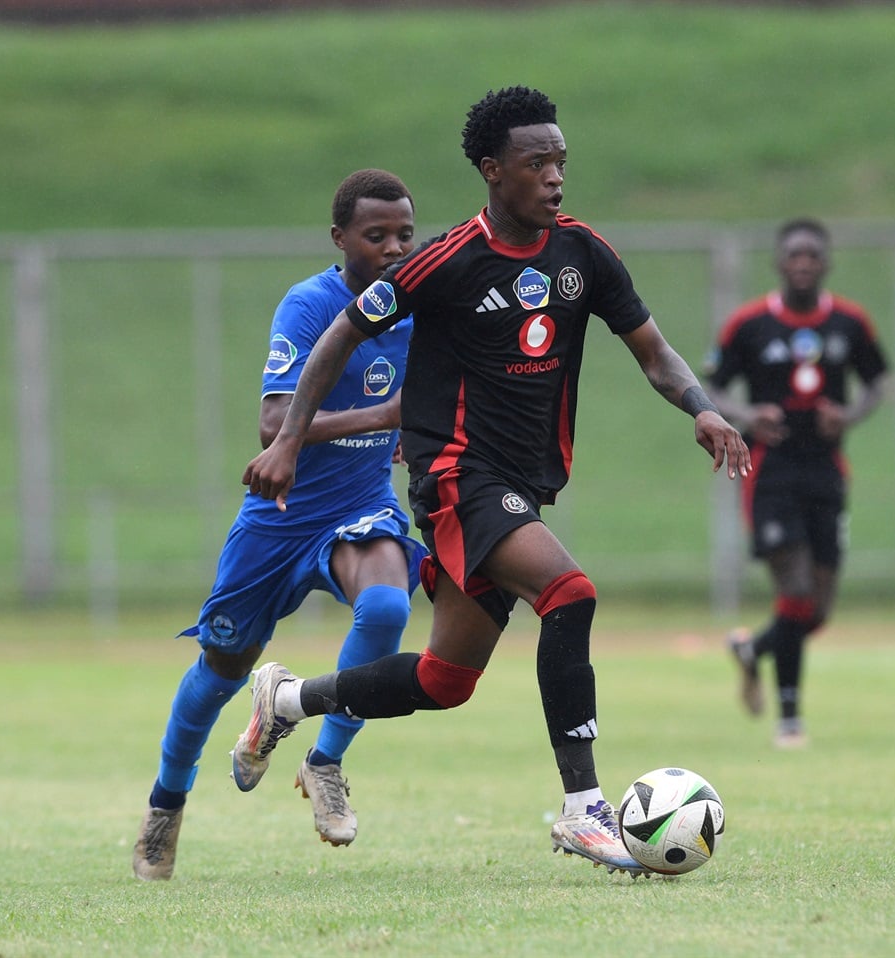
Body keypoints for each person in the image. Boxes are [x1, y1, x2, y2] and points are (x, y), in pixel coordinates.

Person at [235, 86, 750, 878]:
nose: (554, 177)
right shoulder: (445, 261)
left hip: (522, 484)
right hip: (454, 474)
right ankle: (584, 809)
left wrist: (703, 409)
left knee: (445, 681)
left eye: (561, 162)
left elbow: (653, 349)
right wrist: (290, 440)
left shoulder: (583, 254)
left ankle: (289, 701)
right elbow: (343, 331)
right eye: (536, 163)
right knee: (570, 593)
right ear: (492, 171)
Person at [132, 169, 427, 880]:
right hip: (281, 517)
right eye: (376, 235)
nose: (393, 248)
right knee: (222, 667)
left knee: (388, 603)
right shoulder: (309, 305)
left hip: (362, 503)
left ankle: (325, 761)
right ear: (340, 238)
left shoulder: (421, 312)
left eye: (405, 235)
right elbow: (274, 423)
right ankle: (165, 807)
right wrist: (388, 416)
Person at [704, 218, 888, 748]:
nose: (803, 262)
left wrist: (849, 415)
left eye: (812, 254)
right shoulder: (750, 323)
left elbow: (876, 382)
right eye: (794, 254)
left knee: (818, 611)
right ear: (779, 263)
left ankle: (753, 649)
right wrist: (748, 412)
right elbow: (713, 385)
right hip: (770, 471)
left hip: (827, 471)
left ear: (825, 262)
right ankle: (789, 719)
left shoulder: (851, 323)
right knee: (797, 588)